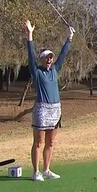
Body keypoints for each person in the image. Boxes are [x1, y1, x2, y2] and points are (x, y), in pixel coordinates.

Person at [25, 20, 74, 182]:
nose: (50, 60)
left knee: (51, 142)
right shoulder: (37, 72)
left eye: (51, 57)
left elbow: (63, 55)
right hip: (42, 110)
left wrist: (69, 38)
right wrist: (30, 35)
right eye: (47, 58)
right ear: (42, 59)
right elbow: (31, 57)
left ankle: (46, 170)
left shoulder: (55, 69)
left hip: (55, 110)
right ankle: (36, 172)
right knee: (39, 142)